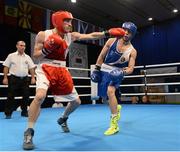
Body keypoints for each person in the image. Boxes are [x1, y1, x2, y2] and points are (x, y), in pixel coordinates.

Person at [22, 10, 126, 150]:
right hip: (45, 67)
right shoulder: (44, 34)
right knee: (40, 96)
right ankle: (29, 132)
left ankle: (63, 118)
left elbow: (90, 35)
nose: (70, 24)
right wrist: (47, 48)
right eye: (67, 21)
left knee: (76, 102)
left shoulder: (71, 36)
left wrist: (108, 33)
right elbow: (36, 55)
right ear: (58, 21)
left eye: (71, 21)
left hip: (62, 70)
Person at [91, 22, 137, 135]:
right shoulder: (111, 41)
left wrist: (121, 72)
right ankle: (117, 107)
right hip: (104, 70)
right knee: (105, 99)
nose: (126, 33)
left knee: (110, 91)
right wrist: (97, 69)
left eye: (129, 32)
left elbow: (131, 68)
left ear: (133, 34)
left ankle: (114, 125)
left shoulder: (132, 51)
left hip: (117, 72)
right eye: (125, 30)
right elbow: (101, 56)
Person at [2, 41, 36, 119]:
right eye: (21, 45)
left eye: (24, 46)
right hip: (14, 78)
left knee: (26, 96)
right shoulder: (11, 56)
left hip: (25, 79)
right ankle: (8, 113)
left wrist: (33, 77)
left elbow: (31, 68)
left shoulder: (27, 57)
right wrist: (5, 77)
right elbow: (6, 67)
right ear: (17, 46)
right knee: (10, 96)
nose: (23, 47)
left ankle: (24, 112)